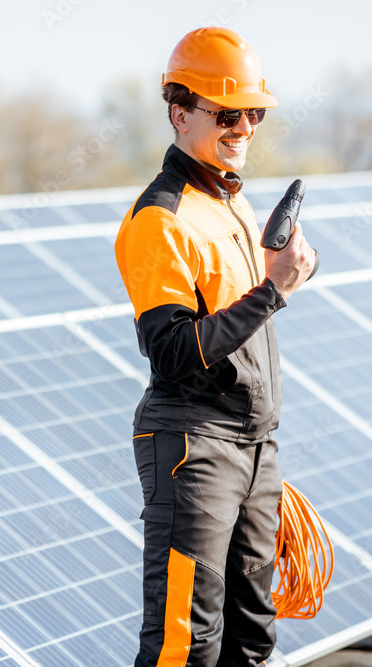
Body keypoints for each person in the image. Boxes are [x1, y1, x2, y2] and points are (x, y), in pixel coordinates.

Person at [114, 27, 317, 666]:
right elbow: (172, 351)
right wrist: (272, 292)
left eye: (253, 113)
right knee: (186, 648)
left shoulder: (229, 201)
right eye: (228, 113)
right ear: (180, 112)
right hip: (195, 450)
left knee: (252, 637)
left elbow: (235, 316)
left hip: (254, 449)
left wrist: (279, 271)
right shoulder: (159, 219)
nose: (245, 127)